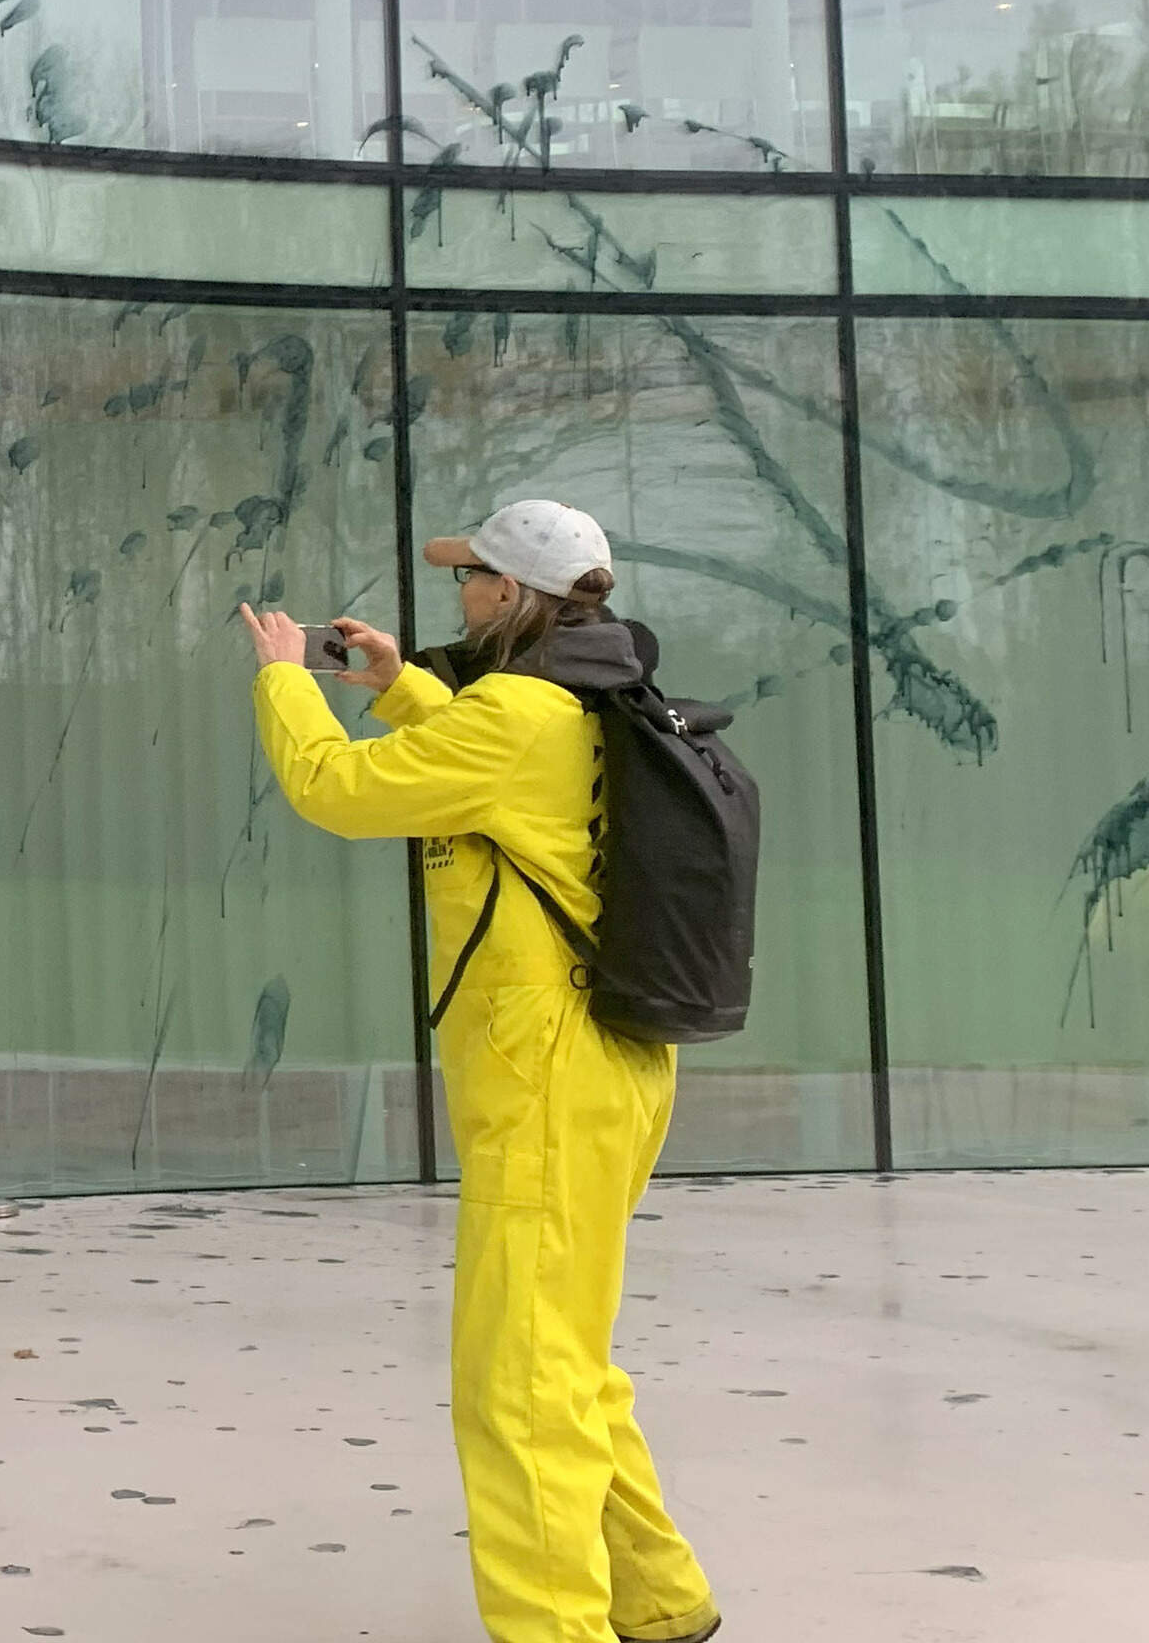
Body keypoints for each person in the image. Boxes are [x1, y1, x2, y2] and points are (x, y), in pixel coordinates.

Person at [237, 500, 720, 1643]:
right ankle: (657, 1599)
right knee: (568, 1359)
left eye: (473, 580)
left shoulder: (514, 714)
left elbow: (337, 790)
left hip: (548, 1073)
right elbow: (496, 774)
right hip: (614, 1064)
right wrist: (406, 688)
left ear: (513, 596)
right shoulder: (595, 695)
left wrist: (283, 679)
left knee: (518, 1387)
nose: (461, 594)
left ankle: (557, 1629)